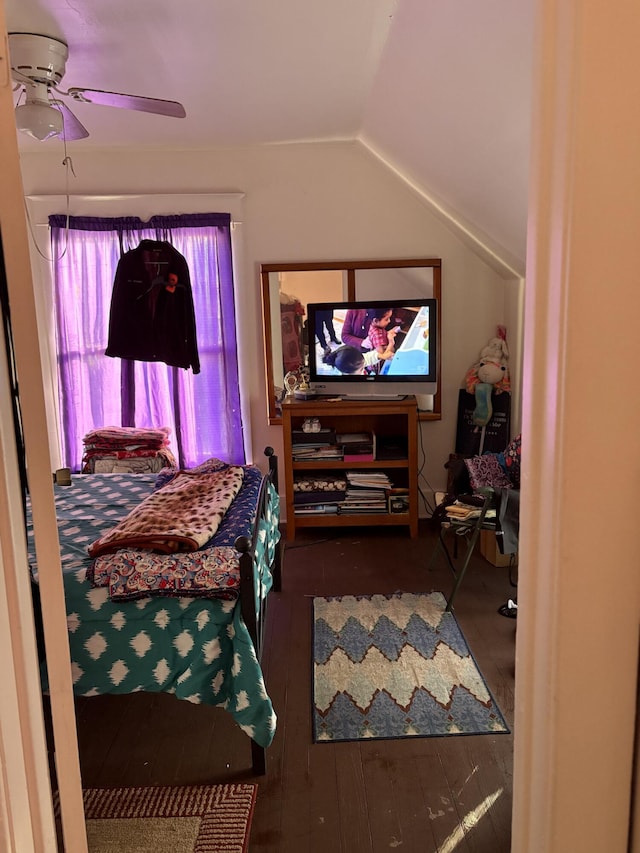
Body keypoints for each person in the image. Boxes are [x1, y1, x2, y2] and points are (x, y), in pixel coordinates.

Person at [322, 343, 394, 375]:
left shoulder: (355, 362)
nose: (363, 368)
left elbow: (368, 358)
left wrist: (382, 356)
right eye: (361, 369)